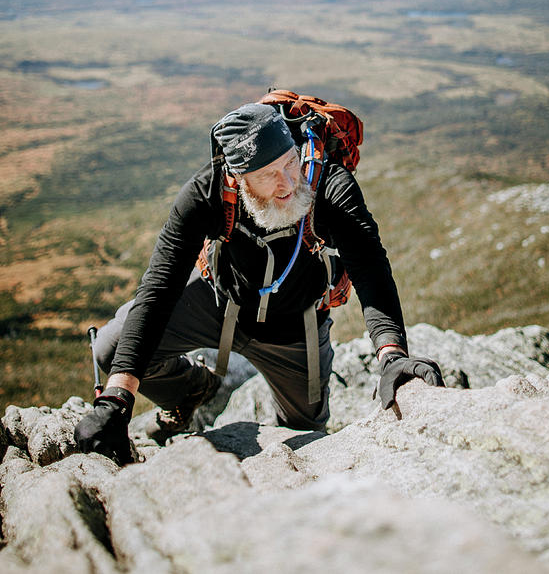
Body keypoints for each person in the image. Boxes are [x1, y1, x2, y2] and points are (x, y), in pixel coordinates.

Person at [75, 101, 444, 464]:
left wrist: (392, 355)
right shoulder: (208, 192)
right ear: (238, 177)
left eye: (290, 163)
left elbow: (370, 266)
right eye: (269, 175)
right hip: (219, 302)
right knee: (109, 349)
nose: (287, 183)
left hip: (295, 326)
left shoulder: (327, 182)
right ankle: (193, 390)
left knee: (307, 431)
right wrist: (117, 399)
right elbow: (158, 287)